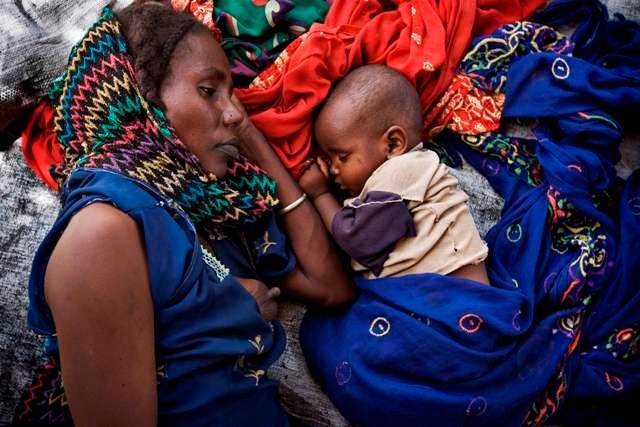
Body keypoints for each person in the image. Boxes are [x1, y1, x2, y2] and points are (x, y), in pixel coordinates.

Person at [14, 2, 355, 426]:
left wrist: (248, 132)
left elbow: (331, 287)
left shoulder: (208, 215)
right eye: (209, 91)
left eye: (232, 95)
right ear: (140, 98)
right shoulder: (104, 230)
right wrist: (230, 308)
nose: (233, 113)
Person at [299, 65, 490, 284]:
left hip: (453, 295)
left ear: (393, 144)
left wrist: (320, 194)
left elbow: (358, 239)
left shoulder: (401, 171)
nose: (333, 170)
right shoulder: (408, 172)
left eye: (342, 157)